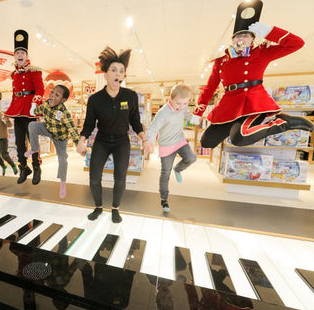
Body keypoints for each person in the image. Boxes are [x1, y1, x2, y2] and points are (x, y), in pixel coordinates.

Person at [194, 0, 313, 149]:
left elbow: (297, 43)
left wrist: (271, 32)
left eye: (246, 36)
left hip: (253, 103)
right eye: (238, 36)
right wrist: (198, 111)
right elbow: (210, 88)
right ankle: (238, 126)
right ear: (232, 40)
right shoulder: (221, 61)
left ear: (252, 40)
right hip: (229, 105)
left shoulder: (261, 53)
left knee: (239, 138)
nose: (241, 39)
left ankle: (283, 123)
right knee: (207, 142)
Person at [77, 46, 153, 223]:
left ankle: (115, 208)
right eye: (113, 70)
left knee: (120, 178)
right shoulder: (95, 99)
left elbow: (135, 121)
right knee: (94, 177)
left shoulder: (130, 96)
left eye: (121, 71)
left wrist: (145, 139)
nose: (117, 74)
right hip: (102, 140)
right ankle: (98, 207)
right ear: (105, 74)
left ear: (124, 75)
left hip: (121, 142)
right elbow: (89, 124)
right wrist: (81, 141)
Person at [146, 84, 198, 213]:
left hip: (179, 141)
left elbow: (188, 116)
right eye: (178, 103)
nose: (181, 107)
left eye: (185, 103)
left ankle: (178, 169)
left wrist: (200, 119)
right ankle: (164, 199)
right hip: (166, 146)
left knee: (192, 157)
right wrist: (150, 143)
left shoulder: (183, 108)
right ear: (171, 99)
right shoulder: (163, 113)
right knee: (165, 173)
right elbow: (153, 129)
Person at [25, 85, 80, 198]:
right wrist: (33, 108)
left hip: (60, 138)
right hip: (48, 129)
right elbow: (37, 110)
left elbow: (72, 129)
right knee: (32, 125)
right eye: (52, 92)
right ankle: (34, 148)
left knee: (62, 159)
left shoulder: (64, 113)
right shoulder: (46, 104)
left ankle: (63, 184)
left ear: (63, 100)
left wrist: (78, 144)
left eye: (57, 95)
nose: (52, 96)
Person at [5, 29, 45, 185]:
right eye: (17, 52)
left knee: (33, 142)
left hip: (30, 110)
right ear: (14, 56)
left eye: (22, 52)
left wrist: (35, 103)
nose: (20, 54)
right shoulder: (14, 74)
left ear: (27, 56)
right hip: (18, 112)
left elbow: (40, 89)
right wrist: (9, 112)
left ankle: (36, 167)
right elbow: (15, 94)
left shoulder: (35, 71)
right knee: (19, 143)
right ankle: (24, 168)